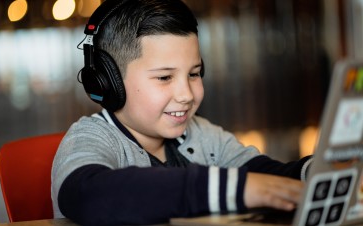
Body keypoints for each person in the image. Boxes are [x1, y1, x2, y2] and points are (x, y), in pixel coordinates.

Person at [51, 0, 312, 225]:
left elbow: (266, 177)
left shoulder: (202, 134)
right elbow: (90, 196)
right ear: (108, 82)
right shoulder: (89, 138)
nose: (186, 94)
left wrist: (319, 171)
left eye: (194, 74)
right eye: (165, 77)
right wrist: (231, 187)